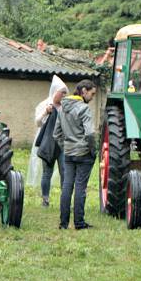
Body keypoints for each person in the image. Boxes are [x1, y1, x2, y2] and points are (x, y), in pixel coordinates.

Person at [53, 79, 98, 230]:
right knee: (80, 188)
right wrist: (92, 150)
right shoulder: (84, 109)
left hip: (68, 153)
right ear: (84, 91)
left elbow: (56, 134)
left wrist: (66, 147)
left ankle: (63, 223)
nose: (92, 97)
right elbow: (90, 133)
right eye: (92, 94)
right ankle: (79, 223)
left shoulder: (61, 108)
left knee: (66, 187)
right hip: (83, 153)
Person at [30, 75, 68, 207]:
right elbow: (38, 123)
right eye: (62, 92)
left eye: (65, 93)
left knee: (65, 171)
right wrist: (46, 112)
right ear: (55, 91)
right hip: (48, 143)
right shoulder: (45, 105)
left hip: (63, 144)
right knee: (47, 172)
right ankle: (45, 200)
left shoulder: (66, 107)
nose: (64, 95)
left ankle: (65, 200)